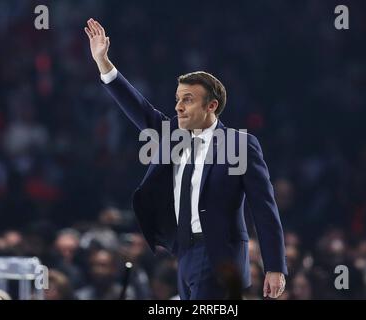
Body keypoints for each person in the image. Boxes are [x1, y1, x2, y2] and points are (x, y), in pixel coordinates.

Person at [84, 18, 287, 299]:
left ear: (211, 106)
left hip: (220, 257)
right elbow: (138, 108)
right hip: (184, 253)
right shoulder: (174, 137)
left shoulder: (239, 144)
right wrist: (103, 62)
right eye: (178, 99)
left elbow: (264, 208)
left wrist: (274, 266)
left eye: (188, 99)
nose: (178, 106)